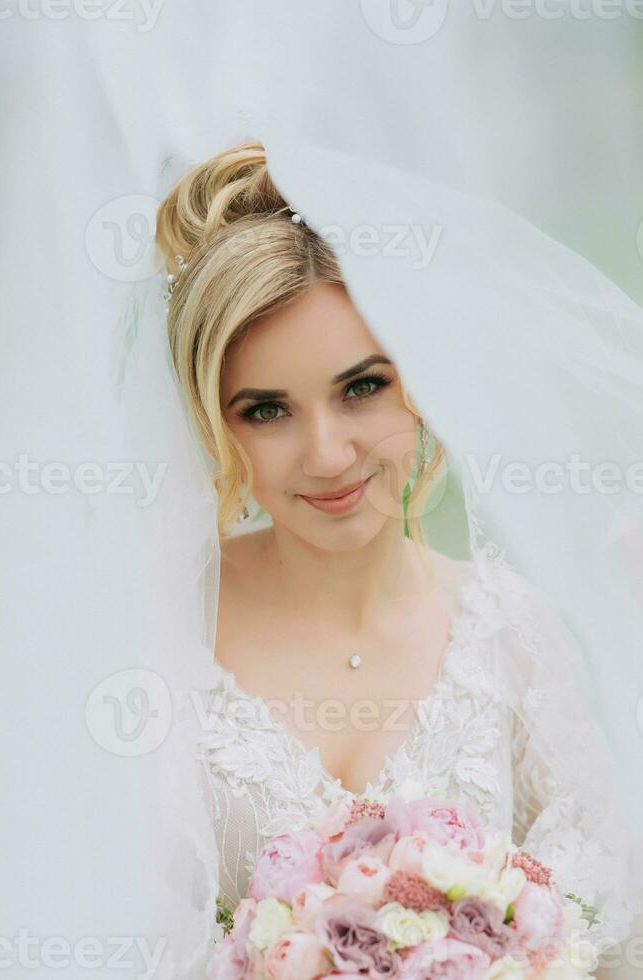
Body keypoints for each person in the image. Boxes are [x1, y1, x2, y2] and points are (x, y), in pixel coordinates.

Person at [155, 139, 639, 975]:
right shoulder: (156, 641)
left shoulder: (511, 634)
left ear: (423, 380)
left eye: (363, 387)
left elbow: (611, 936)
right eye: (266, 410)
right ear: (213, 424)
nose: (330, 454)